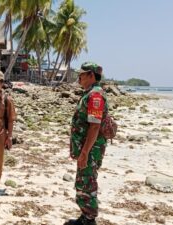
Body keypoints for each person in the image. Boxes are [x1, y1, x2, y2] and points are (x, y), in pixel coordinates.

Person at [65, 62, 108, 225]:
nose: (79, 78)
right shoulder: (90, 93)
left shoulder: (95, 95)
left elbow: (95, 126)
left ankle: (89, 219)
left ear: (91, 75)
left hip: (90, 149)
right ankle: (86, 217)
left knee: (87, 182)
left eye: (82, 75)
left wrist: (84, 153)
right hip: (88, 148)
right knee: (84, 181)